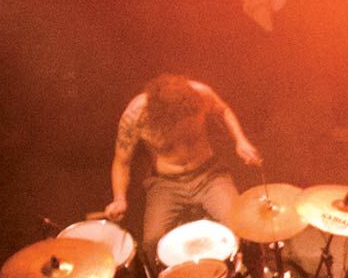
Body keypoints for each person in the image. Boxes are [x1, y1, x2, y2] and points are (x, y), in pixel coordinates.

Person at [104, 73, 262, 255]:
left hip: (208, 176)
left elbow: (223, 110)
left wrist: (241, 140)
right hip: (165, 183)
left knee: (244, 227)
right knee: (152, 243)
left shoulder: (200, 95)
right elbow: (122, 162)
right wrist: (119, 199)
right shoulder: (137, 114)